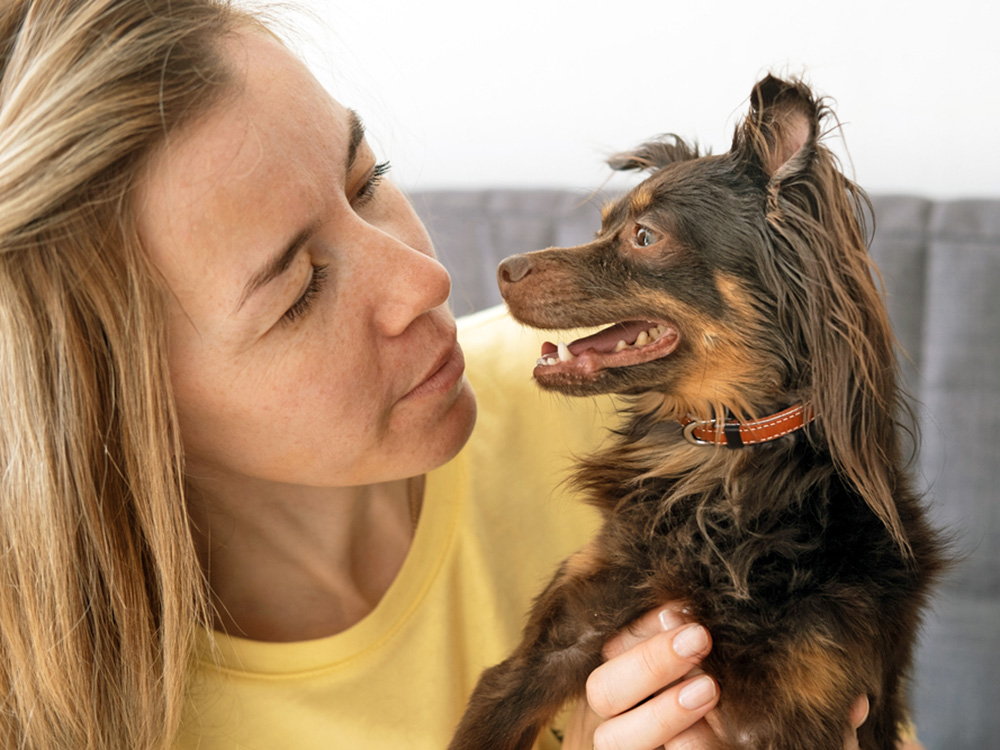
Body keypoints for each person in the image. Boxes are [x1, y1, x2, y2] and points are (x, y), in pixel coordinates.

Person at [0, 1, 912, 748]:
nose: (428, 280)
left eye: (366, 181)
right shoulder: (100, 717)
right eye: (300, 290)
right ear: (117, 403)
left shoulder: (669, 407)